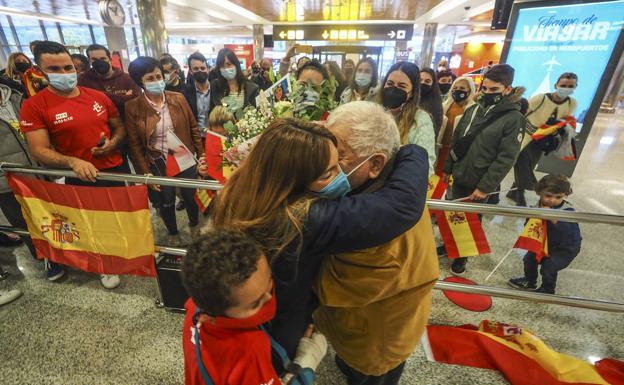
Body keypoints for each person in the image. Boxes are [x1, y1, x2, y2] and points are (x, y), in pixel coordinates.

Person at [211, 117, 429, 360]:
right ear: (292, 181)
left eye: (340, 163)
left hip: (240, 311)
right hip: (277, 327)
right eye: (328, 173)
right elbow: (401, 207)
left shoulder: (241, 189)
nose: (341, 175)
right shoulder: (302, 218)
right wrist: (413, 150)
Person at [315, 101, 439, 385]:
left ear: (375, 164)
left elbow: (327, 287)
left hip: (375, 340)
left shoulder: (373, 229)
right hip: (385, 320)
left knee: (371, 375)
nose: (327, 164)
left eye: (340, 157)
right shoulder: (397, 186)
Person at [19, 41, 126, 289]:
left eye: (68, 67)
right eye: (55, 69)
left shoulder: (97, 96)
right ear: (41, 71)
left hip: (113, 168)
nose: (64, 74)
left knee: (119, 217)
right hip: (78, 175)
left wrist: (113, 143)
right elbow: (38, 150)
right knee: (90, 222)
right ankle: (103, 265)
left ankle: (123, 254)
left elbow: (118, 127)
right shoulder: (35, 106)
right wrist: (72, 161)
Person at [181, 229, 327, 385]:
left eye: (270, 280)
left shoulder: (194, 307)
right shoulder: (249, 351)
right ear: (221, 311)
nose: (269, 297)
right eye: (256, 303)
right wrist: (306, 365)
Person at [443, 64, 526, 275]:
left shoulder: (514, 119)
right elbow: (457, 140)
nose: (488, 93)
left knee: (471, 220)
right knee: (454, 213)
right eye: (486, 88)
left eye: (495, 90)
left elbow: (506, 158)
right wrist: (448, 168)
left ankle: (462, 257)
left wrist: (485, 186)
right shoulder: (474, 109)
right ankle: (450, 246)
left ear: (507, 89)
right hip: (460, 172)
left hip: (479, 180)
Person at [126, 56, 204, 246]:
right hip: (158, 161)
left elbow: (194, 128)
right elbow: (134, 145)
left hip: (183, 155)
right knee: (166, 201)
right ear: (140, 82)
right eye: (150, 78)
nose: (156, 81)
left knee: (190, 197)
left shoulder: (177, 98)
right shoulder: (133, 107)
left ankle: (195, 226)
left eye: (158, 76)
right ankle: (173, 233)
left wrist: (201, 156)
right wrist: (145, 174)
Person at [508, 72, 578, 207]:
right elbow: (522, 113)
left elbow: (565, 119)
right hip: (526, 135)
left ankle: (516, 190)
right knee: (523, 163)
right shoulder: (540, 99)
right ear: (556, 85)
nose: (566, 88)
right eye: (563, 85)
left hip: (544, 139)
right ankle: (536, 188)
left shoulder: (571, 103)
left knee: (530, 164)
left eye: (570, 86)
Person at [508, 175, 581, 294]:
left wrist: (551, 216)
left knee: (549, 267)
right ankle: (530, 281)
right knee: (529, 259)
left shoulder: (568, 211)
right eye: (548, 196)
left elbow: (566, 230)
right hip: (544, 242)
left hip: (565, 248)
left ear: (565, 195)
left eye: (558, 197)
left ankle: (548, 289)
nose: (552, 200)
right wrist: (532, 217)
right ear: (539, 193)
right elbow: (530, 225)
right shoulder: (536, 206)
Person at [378, 62, 436, 176]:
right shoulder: (375, 111)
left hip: (399, 180)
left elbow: (425, 163)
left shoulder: (420, 119)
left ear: (412, 93)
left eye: (401, 86)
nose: (393, 89)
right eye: (389, 83)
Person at [78, 44, 141, 119]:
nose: (99, 62)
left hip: (127, 119)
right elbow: (85, 104)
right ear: (90, 61)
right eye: (94, 59)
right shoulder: (84, 80)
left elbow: (137, 100)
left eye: (103, 58)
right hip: (102, 122)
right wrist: (123, 97)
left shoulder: (127, 78)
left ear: (110, 58)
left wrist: (98, 95)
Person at [436, 76, 477, 175]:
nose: (458, 90)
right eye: (455, 88)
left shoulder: (474, 110)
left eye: (462, 88)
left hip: (457, 153)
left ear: (470, 90)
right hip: (440, 150)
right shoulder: (444, 106)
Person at [209, 48, 259, 114]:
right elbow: (212, 112)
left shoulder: (252, 88)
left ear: (236, 64)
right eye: (222, 66)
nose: (226, 69)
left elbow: (256, 112)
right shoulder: (215, 86)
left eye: (229, 64)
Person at [181, 52, 212, 137]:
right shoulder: (185, 94)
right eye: (196, 69)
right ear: (190, 71)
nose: (200, 71)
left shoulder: (217, 90)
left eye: (202, 68)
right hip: (197, 138)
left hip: (216, 136)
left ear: (208, 69)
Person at [419, 68, 444, 138]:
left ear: (433, 84)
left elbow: (434, 131)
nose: (423, 83)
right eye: (420, 80)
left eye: (427, 81)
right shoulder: (409, 98)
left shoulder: (436, 105)